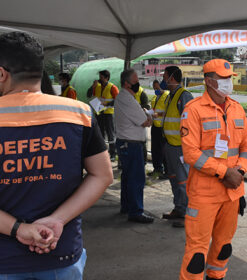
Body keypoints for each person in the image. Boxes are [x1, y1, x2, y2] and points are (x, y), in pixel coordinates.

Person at [0, 31, 113, 279]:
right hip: (60, 251)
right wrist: (57, 220)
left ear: (2, 74)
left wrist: (19, 229)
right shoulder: (79, 113)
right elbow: (102, 175)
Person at [179, 59, 247, 280]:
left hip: (232, 193)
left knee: (223, 248)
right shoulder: (192, 110)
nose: (228, 82)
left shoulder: (237, 108)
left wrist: (240, 171)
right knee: (196, 256)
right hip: (204, 194)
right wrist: (224, 172)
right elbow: (191, 153)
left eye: (229, 78)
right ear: (209, 81)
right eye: (223, 78)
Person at [115, 68, 154, 224]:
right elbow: (145, 122)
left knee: (127, 177)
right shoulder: (127, 99)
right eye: (136, 81)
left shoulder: (125, 97)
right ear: (127, 83)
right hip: (131, 144)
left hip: (126, 142)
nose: (138, 84)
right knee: (136, 178)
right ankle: (136, 211)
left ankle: (127, 206)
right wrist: (149, 116)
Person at [161, 66, 193, 227]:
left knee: (183, 181)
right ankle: (179, 208)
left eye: (165, 76)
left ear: (172, 78)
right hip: (170, 145)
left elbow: (191, 123)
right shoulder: (170, 96)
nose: (163, 79)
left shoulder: (184, 96)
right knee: (174, 178)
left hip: (181, 147)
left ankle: (187, 214)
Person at [88, 70, 119, 161]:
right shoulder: (97, 86)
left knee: (110, 133)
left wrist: (107, 104)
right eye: (99, 77)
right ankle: (102, 152)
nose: (99, 79)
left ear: (106, 78)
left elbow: (117, 100)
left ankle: (113, 153)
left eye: (101, 77)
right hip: (99, 112)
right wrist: (92, 86)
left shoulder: (112, 87)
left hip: (109, 113)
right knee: (100, 133)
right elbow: (89, 94)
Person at [148, 80, 169, 179]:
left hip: (162, 126)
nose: (155, 90)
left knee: (163, 150)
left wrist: (159, 114)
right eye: (154, 88)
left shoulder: (167, 96)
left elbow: (169, 111)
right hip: (155, 125)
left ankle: (167, 171)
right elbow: (154, 109)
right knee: (155, 149)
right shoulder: (155, 97)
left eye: (157, 88)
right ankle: (157, 169)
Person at [134, 86, 150, 165]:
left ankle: (143, 161)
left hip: (141, 122)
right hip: (132, 122)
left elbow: (146, 107)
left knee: (142, 142)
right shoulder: (129, 93)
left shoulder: (142, 94)